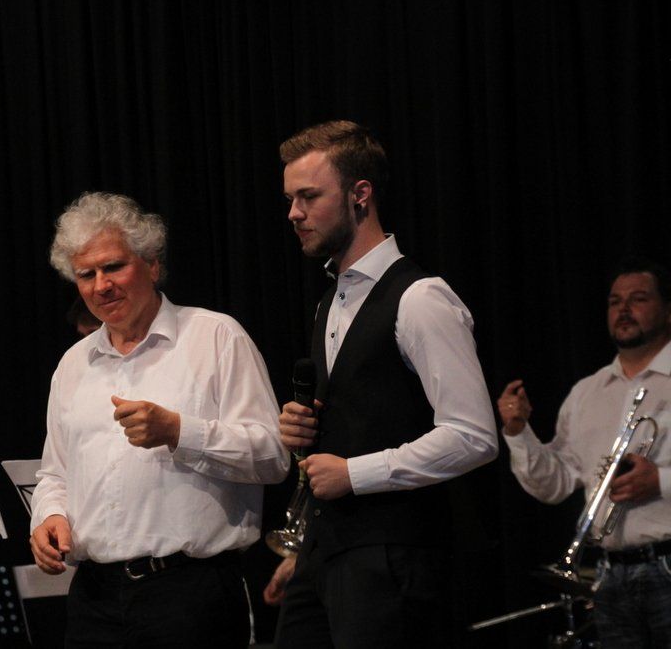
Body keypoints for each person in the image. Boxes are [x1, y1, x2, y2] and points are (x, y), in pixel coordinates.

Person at [273, 120, 498, 648]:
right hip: (326, 552)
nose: (294, 213)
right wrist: (303, 427)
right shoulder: (330, 301)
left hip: (393, 556)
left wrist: (354, 473)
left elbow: (473, 436)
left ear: (360, 195)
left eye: (309, 196)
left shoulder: (420, 298)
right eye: (290, 199)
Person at [30, 191, 289, 648]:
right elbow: (55, 474)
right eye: (86, 274)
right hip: (94, 600)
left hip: (189, 594)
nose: (101, 285)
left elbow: (272, 456)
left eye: (113, 267)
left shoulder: (215, 336)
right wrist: (49, 516)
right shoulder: (73, 364)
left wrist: (178, 432)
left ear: (152, 265)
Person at [497, 258, 671, 648]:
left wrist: (660, 480)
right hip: (611, 576)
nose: (624, 309)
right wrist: (518, 432)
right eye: (615, 301)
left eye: (639, 299)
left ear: (668, 311)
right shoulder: (586, 393)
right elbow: (554, 484)